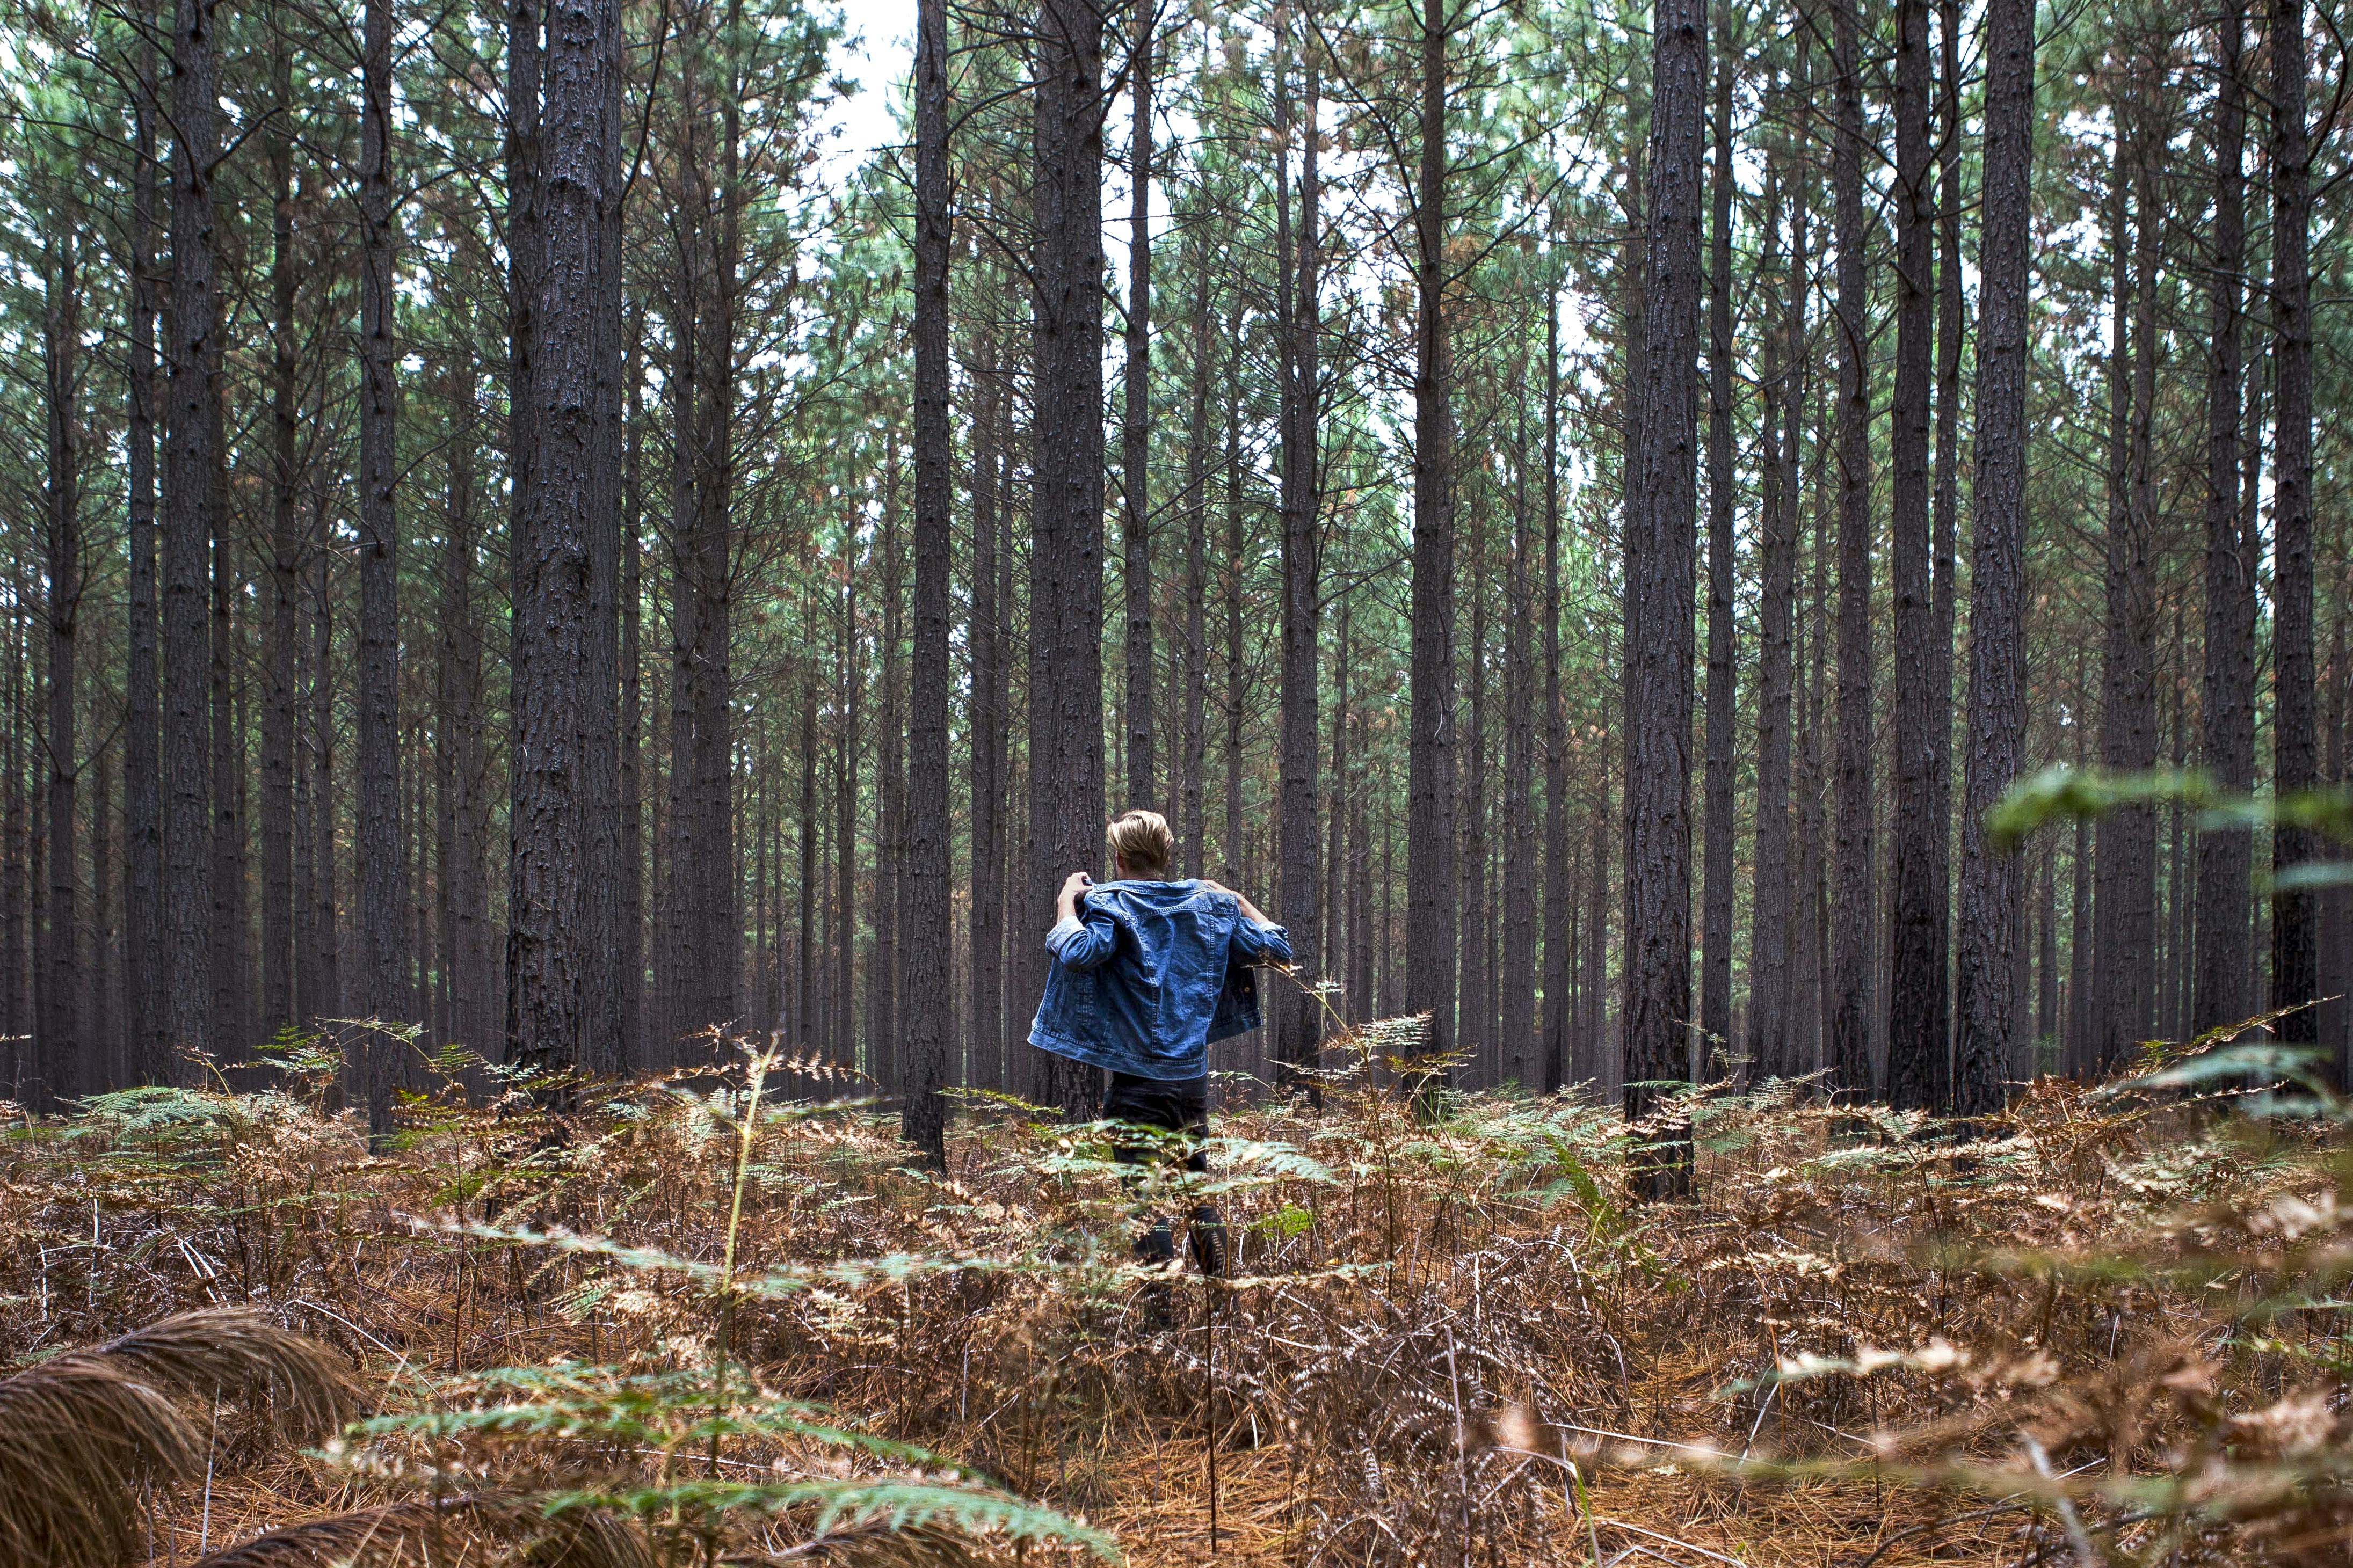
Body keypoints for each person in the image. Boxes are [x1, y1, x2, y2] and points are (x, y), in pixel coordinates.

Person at [1029, 809, 1290, 1281]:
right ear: (1164, 857)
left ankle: (1160, 1331)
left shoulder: (1111, 903)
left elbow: (1079, 953)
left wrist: (1067, 903)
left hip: (1137, 1086)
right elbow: (1278, 949)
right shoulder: (1208, 906)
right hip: (1190, 1081)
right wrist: (1238, 899)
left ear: (1120, 857)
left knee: (1144, 1202)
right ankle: (1220, 1302)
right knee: (1197, 1191)